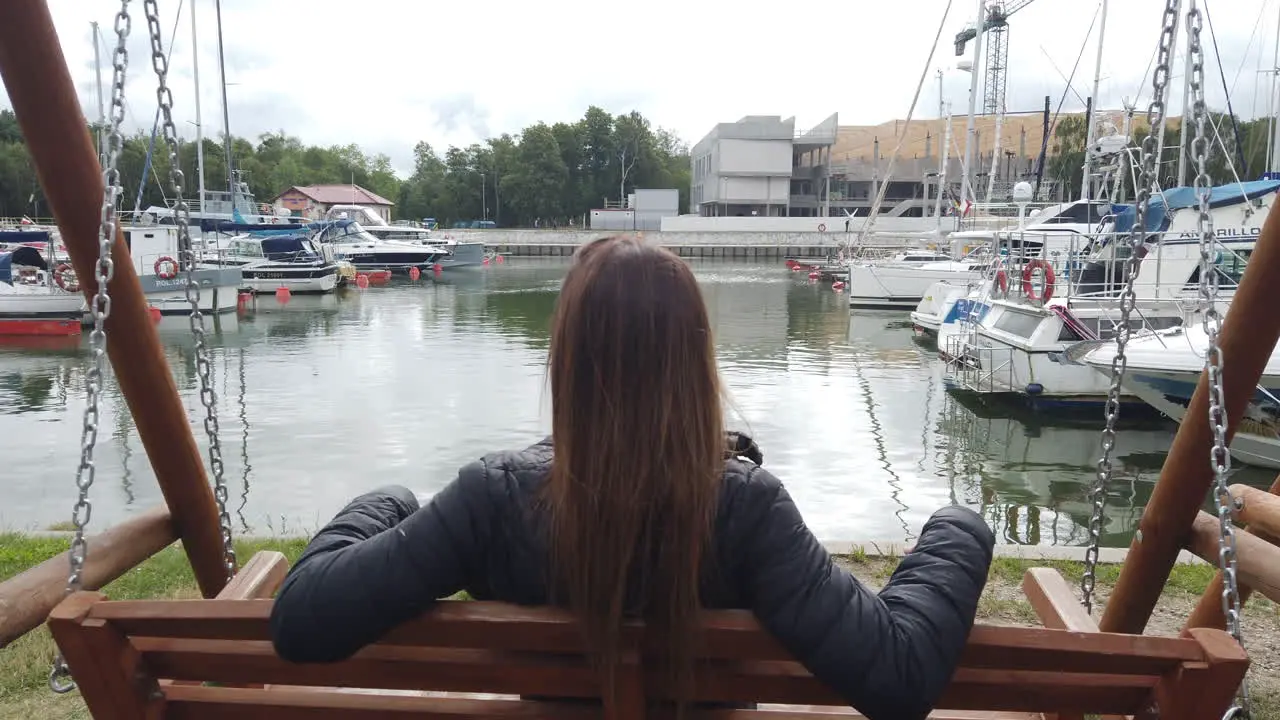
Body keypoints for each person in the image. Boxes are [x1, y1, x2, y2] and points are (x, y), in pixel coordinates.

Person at [270, 235, 995, 720]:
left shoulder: (491, 498)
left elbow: (303, 620)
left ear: (568, 359)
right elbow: (898, 676)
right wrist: (958, 528)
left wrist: (386, 502)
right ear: (694, 360)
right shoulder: (745, 510)